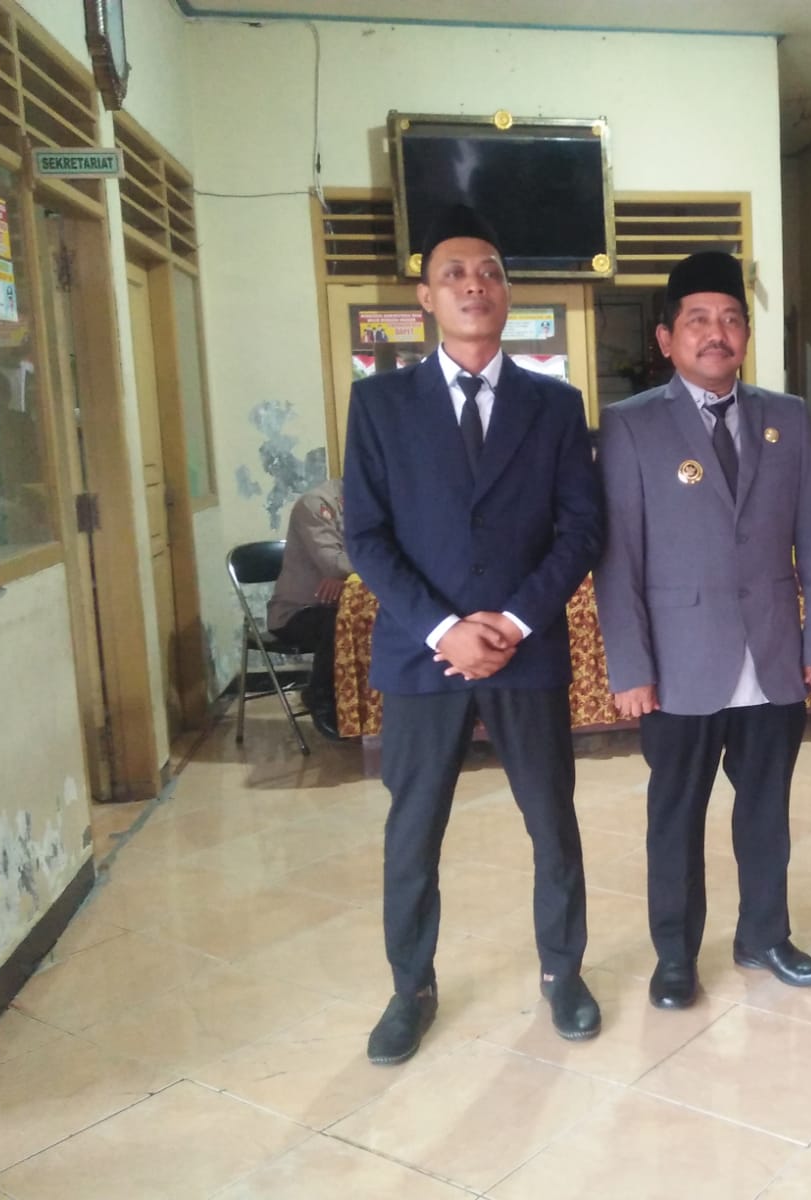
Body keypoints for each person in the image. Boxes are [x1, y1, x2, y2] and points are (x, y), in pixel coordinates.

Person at [343, 205, 605, 1063]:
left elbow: (580, 529)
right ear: (425, 296)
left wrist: (516, 619)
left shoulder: (555, 404)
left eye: (489, 272)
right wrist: (445, 628)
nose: (473, 285)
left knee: (552, 821)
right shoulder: (380, 404)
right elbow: (366, 536)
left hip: (527, 651)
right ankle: (409, 988)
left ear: (507, 293)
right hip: (423, 655)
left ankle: (563, 972)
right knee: (413, 831)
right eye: (454, 273)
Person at [596, 251, 811, 1010]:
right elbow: (617, 558)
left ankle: (764, 936)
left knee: (766, 809)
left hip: (771, 656)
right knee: (676, 816)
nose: (717, 333)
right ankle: (675, 956)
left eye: (731, 319)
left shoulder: (787, 418)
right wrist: (631, 667)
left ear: (746, 334)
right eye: (699, 320)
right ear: (667, 338)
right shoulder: (632, 425)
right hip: (678, 666)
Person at [268, 478, 351, 740]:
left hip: (342, 603)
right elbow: (333, 564)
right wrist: (349, 571)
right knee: (339, 623)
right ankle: (322, 700)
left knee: (381, 620)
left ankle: (365, 708)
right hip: (296, 612)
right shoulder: (315, 504)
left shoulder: (375, 503)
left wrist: (346, 578)